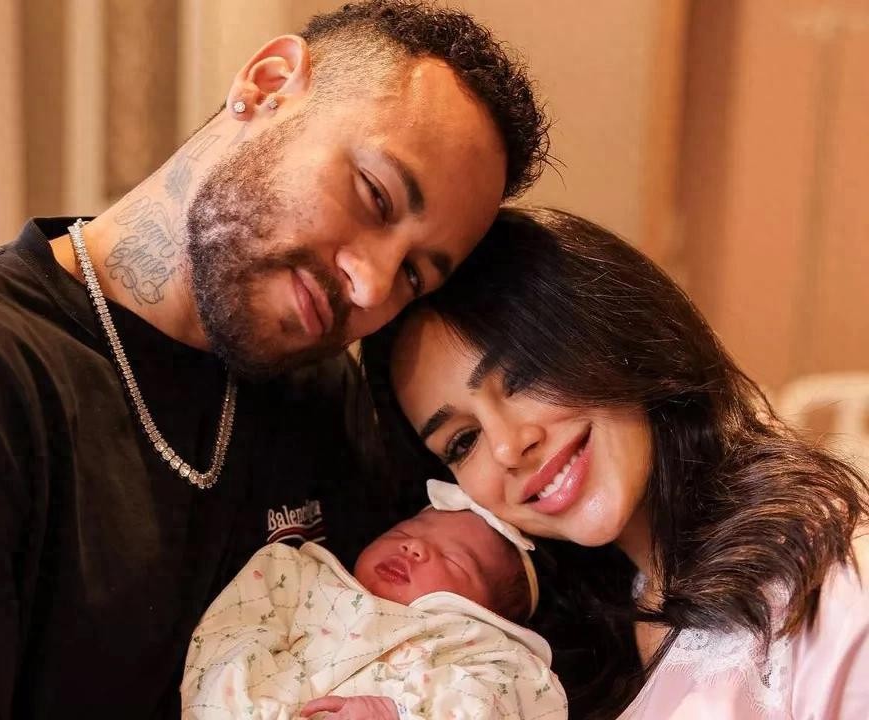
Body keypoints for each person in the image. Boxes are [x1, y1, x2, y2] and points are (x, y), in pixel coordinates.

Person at [0, 2, 549, 718]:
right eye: (375, 195)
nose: (372, 284)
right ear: (268, 85)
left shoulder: (322, 398)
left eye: (414, 275)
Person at [362, 208, 869, 719]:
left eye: (525, 375)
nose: (508, 447)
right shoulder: (552, 649)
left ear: (617, 331)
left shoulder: (839, 593)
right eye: (463, 441)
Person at [181, 480, 566, 720]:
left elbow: (497, 705)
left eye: (453, 560)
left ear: (486, 614)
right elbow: (228, 635)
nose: (414, 547)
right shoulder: (299, 576)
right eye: (405, 532)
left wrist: (400, 713)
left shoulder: (485, 650)